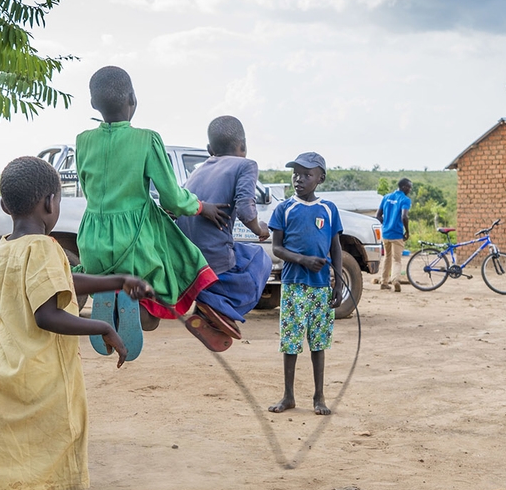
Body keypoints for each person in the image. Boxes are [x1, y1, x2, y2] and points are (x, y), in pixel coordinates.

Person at [0, 156, 153, 490]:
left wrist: (115, 281)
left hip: (3, 376)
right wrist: (103, 326)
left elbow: (62, 283)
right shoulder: (47, 248)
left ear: (5, 205)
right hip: (43, 381)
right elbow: (48, 312)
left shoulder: (8, 248)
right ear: (51, 203)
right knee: (58, 474)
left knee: (0, 473)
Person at [74, 65, 229, 355]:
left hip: (91, 243)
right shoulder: (147, 139)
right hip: (136, 245)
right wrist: (200, 206)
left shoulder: (82, 141)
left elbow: (87, 187)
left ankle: (113, 304)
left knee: (114, 273)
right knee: (185, 257)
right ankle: (145, 314)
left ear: (93, 104)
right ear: (133, 99)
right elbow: (171, 199)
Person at [177, 115, 271, 344]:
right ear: (244, 146)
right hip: (214, 260)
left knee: (241, 252)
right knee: (260, 258)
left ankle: (206, 308)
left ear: (210, 149)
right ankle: (219, 306)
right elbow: (246, 210)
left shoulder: (197, 171)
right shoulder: (246, 165)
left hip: (186, 258)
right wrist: (260, 229)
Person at [267, 152, 343, 416]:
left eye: (307, 174)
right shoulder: (284, 208)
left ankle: (319, 397)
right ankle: (288, 396)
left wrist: (338, 283)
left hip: (321, 286)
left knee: (318, 343)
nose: (299, 179)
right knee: (291, 342)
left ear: (320, 178)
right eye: (296, 173)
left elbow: (336, 249)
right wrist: (303, 260)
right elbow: (277, 248)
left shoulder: (329, 210)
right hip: (293, 284)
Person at [376, 178, 411, 292]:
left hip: (385, 234)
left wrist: (386, 224)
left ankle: (384, 282)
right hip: (396, 234)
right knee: (397, 260)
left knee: (387, 257)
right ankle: (395, 280)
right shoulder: (405, 199)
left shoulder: (386, 197)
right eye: (409, 187)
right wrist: (407, 231)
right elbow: (404, 217)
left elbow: (378, 215)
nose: (410, 190)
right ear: (404, 187)